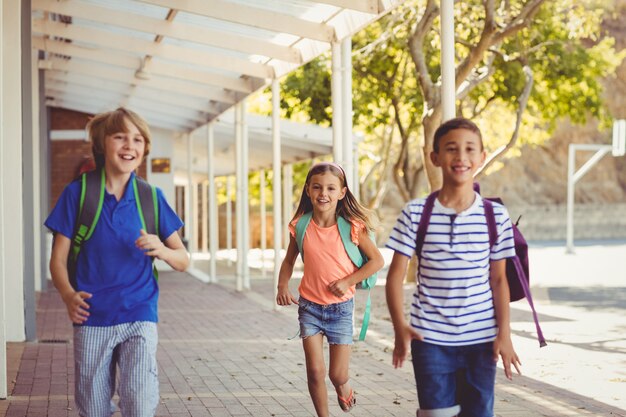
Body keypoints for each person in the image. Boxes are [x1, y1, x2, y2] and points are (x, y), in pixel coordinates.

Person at [45, 107, 190, 417]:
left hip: (139, 312)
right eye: (120, 137)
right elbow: (57, 260)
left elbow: (182, 260)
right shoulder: (78, 194)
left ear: (145, 149)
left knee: (139, 404)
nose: (130, 146)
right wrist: (69, 296)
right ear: (101, 144)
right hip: (92, 315)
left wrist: (161, 250)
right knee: (94, 409)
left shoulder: (151, 197)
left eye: (138, 139)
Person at [385, 117, 522, 417]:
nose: (461, 157)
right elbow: (394, 277)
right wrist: (399, 327)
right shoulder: (415, 213)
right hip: (429, 339)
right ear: (434, 157)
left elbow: (499, 281)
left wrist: (505, 334)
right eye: (451, 149)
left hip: (481, 340)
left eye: (470, 149)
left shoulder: (495, 215)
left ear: (482, 157)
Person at [276, 162, 384, 416]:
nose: (323, 193)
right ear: (308, 190)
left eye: (330, 188)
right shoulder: (300, 225)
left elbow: (377, 261)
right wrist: (282, 285)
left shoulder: (352, 227)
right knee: (315, 371)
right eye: (317, 187)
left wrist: (348, 281)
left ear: (342, 193)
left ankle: (344, 387)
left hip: (341, 309)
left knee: (337, 374)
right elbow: (289, 260)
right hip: (309, 307)